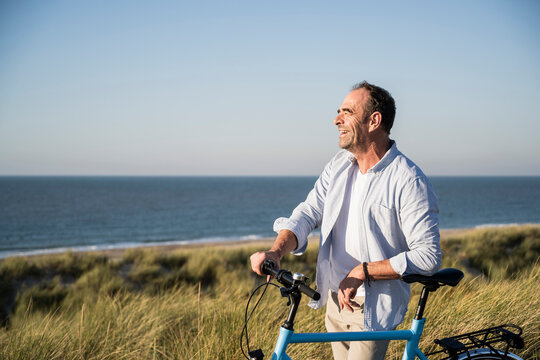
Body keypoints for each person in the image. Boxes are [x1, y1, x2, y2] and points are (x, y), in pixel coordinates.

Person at [250, 81, 442, 360]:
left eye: (347, 112)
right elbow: (308, 212)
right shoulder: (339, 165)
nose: (336, 119)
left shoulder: (408, 179)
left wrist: (361, 271)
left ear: (374, 120)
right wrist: (276, 251)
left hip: (372, 309)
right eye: (338, 111)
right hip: (335, 303)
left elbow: (428, 256)